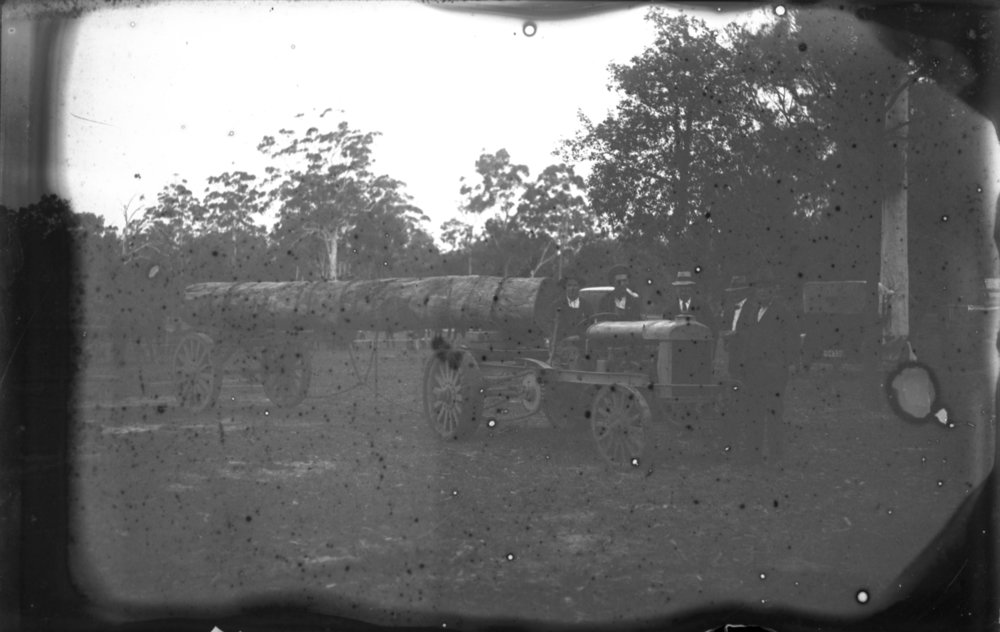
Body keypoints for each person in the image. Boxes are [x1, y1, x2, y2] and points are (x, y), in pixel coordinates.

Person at [728, 266, 799, 466]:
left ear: (773, 290)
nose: (761, 292)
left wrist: (786, 364)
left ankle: (776, 456)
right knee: (753, 414)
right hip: (752, 373)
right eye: (758, 289)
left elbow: (793, 341)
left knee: (774, 414)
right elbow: (743, 338)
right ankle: (753, 454)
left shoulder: (783, 312)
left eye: (766, 289)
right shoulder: (750, 311)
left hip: (774, 374)